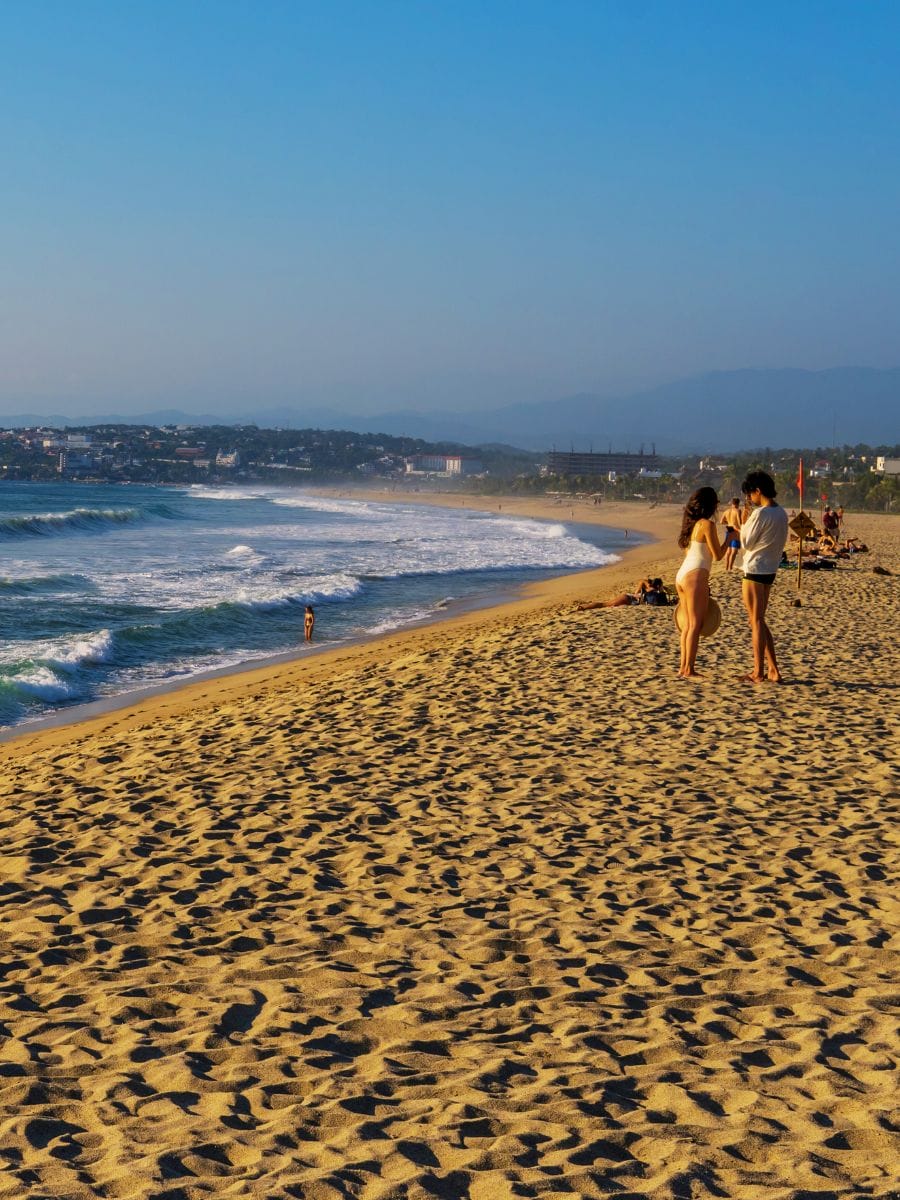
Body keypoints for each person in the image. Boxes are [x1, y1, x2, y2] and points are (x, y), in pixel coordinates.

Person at [739, 470, 789, 683]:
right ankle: (773, 669)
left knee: (756, 621)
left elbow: (746, 542)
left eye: (750, 494)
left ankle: (758, 671)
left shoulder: (761, 513)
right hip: (769, 569)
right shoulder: (781, 513)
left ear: (758, 491)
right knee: (758, 620)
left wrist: (743, 522)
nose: (750, 498)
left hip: (755, 569)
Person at [675, 487, 724, 678]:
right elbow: (717, 555)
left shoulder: (691, 525)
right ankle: (689, 669)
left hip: (682, 575)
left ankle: (683, 667)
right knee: (695, 624)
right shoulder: (707, 525)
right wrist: (730, 539)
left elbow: (696, 553)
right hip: (695, 576)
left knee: (687, 625)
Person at [575, 578, 666, 610]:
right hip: (628, 599)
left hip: (629, 598)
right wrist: (661, 589)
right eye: (662, 585)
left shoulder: (650, 590)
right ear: (658, 585)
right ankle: (583, 607)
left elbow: (642, 581)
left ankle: (583, 607)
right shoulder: (654, 591)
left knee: (605, 604)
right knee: (604, 604)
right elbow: (643, 581)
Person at [720, 497, 743, 572]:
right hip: (735, 531)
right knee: (734, 551)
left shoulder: (726, 511)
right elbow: (739, 522)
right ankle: (730, 567)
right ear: (738, 503)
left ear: (732, 503)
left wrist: (729, 523)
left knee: (728, 551)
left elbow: (721, 522)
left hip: (729, 529)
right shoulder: (738, 510)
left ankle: (726, 568)